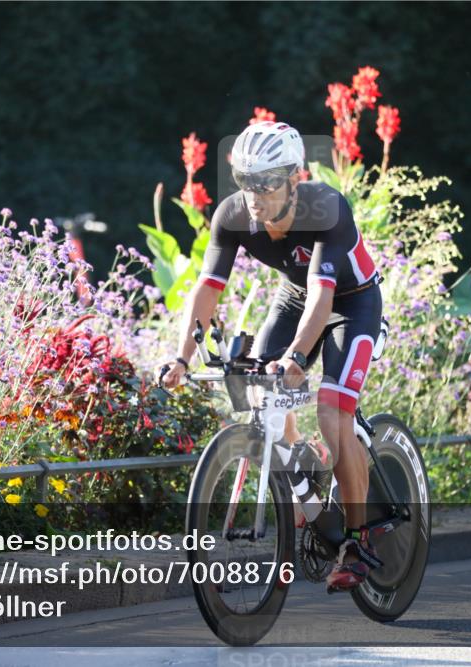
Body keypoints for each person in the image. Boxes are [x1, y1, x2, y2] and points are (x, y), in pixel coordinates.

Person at [160, 120, 384, 591]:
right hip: (294, 300)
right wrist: (181, 358)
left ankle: (358, 542)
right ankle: (303, 476)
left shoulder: (326, 208)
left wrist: (298, 358)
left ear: (294, 179)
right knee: (261, 398)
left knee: (330, 410)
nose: (253, 195)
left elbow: (325, 301)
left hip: (352, 303)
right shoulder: (234, 215)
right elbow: (207, 289)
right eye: (244, 182)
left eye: (265, 183)